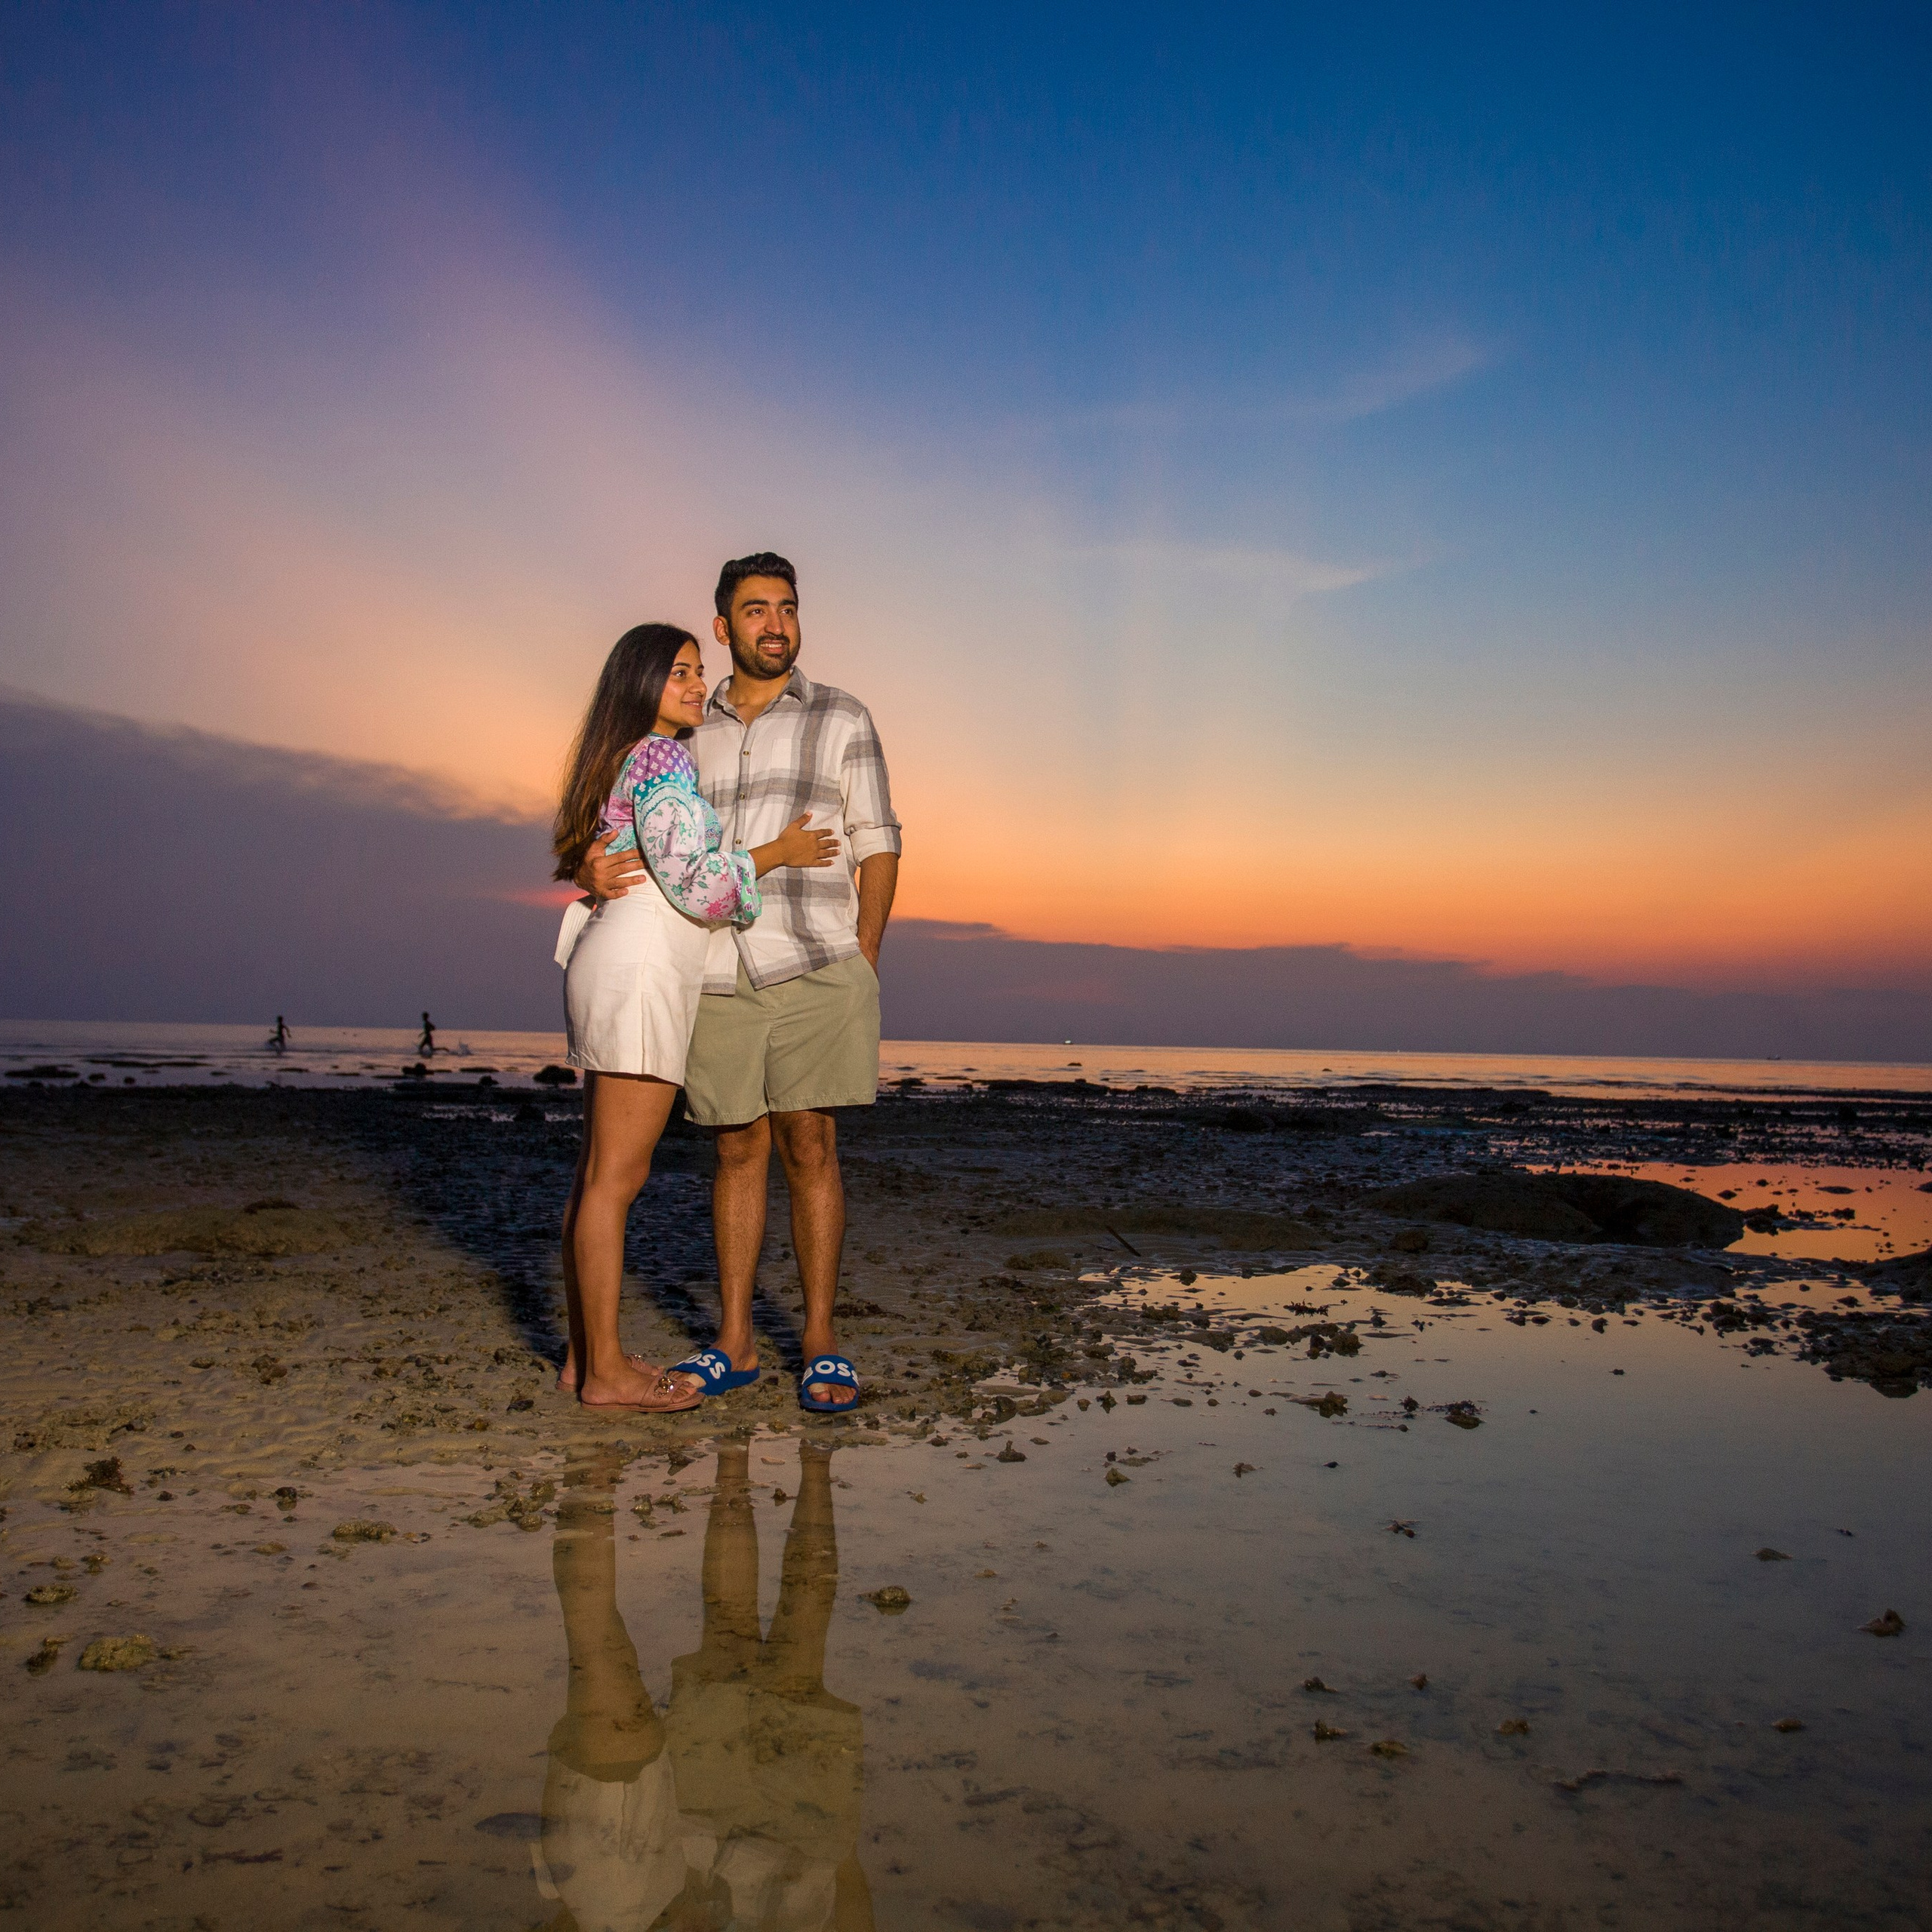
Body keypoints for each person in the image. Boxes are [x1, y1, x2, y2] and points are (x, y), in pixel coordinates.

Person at [580, 554, 901, 1413]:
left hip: (815, 959)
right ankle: (734, 1341)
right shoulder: (686, 728)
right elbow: (636, 818)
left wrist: (863, 951)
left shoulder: (843, 716)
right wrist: (590, 857)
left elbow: (878, 838)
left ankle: (822, 1340)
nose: (775, 625)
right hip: (715, 970)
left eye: (787, 608)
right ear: (725, 626)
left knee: (812, 1146)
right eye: (755, 610)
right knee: (735, 1150)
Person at [552, 622, 837, 1411]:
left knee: (596, 1172)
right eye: (678, 673)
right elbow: (701, 885)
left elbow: (613, 853)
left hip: (615, 958)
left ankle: (585, 1357)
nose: (693, 685)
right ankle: (606, 1374)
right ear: (640, 682)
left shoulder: (620, 759)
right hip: (643, 966)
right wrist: (773, 856)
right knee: (617, 1177)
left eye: (695, 671)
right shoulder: (661, 756)